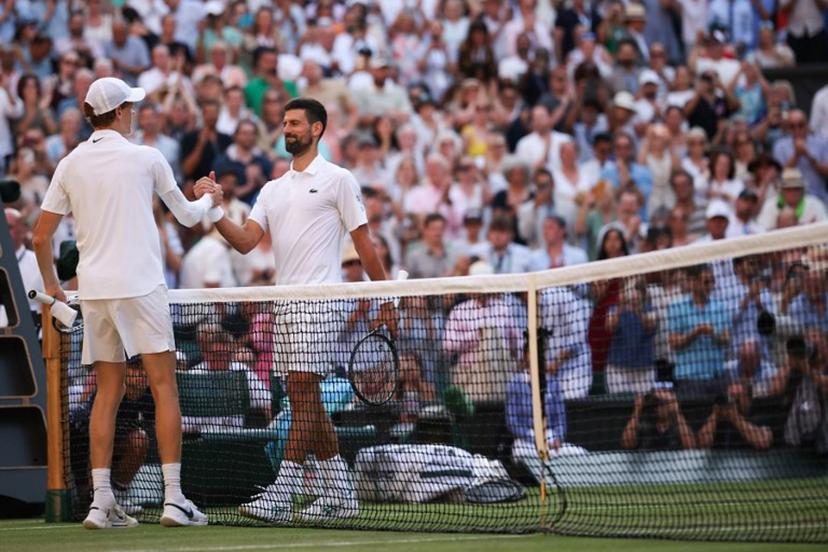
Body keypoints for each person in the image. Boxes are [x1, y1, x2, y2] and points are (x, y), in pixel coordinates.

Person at [32, 77, 221, 528]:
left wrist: (54, 289)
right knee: (164, 387)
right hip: (140, 286)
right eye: (131, 107)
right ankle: (174, 499)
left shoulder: (70, 163)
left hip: (95, 292)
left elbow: (40, 237)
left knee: (108, 393)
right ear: (118, 113)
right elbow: (189, 217)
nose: (135, 113)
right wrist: (208, 199)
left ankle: (101, 502)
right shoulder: (147, 157)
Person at [196, 98, 396, 523]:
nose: (287, 129)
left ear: (317, 129)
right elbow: (247, 240)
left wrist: (387, 297)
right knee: (305, 398)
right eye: (284, 123)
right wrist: (215, 208)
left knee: (303, 388)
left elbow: (364, 244)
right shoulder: (271, 189)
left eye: (295, 123)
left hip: (322, 302)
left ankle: (283, 490)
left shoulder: (339, 180)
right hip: (284, 304)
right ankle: (341, 492)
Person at [621, 388, 696, 450]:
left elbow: (691, 448)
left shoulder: (678, 425)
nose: (659, 407)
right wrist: (637, 410)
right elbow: (627, 444)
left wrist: (677, 411)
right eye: (657, 403)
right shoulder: (645, 423)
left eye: (663, 403)